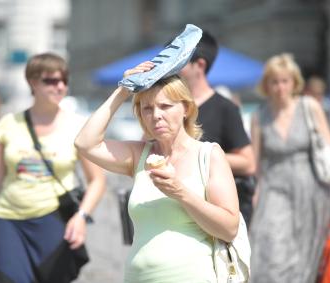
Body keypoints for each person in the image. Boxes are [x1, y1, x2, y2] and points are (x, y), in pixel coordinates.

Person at [75, 62, 240, 283]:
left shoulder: (209, 155)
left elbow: (229, 228)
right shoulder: (138, 154)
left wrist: (180, 192)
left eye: (165, 106)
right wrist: (123, 90)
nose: (156, 115)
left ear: (186, 109)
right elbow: (85, 143)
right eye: (147, 109)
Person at [0, 53, 106, 283]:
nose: (60, 86)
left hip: (53, 222)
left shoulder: (78, 126)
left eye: (64, 80)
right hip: (7, 221)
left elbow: (97, 181)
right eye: (51, 81)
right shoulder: (9, 124)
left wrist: (81, 217)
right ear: (33, 82)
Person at [249, 53, 330, 282]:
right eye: (274, 81)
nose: (280, 87)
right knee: (270, 249)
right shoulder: (260, 116)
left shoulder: (309, 106)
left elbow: (329, 146)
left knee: (305, 255)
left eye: (285, 81)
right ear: (266, 85)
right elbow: (255, 162)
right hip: (274, 190)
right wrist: (256, 194)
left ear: (294, 82)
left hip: (311, 191)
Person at [179, 31, 256, 226]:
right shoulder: (168, 107)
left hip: (211, 212)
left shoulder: (224, 107)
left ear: (200, 65)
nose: (172, 66)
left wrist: (199, 154)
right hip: (175, 209)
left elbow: (248, 162)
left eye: (180, 59)